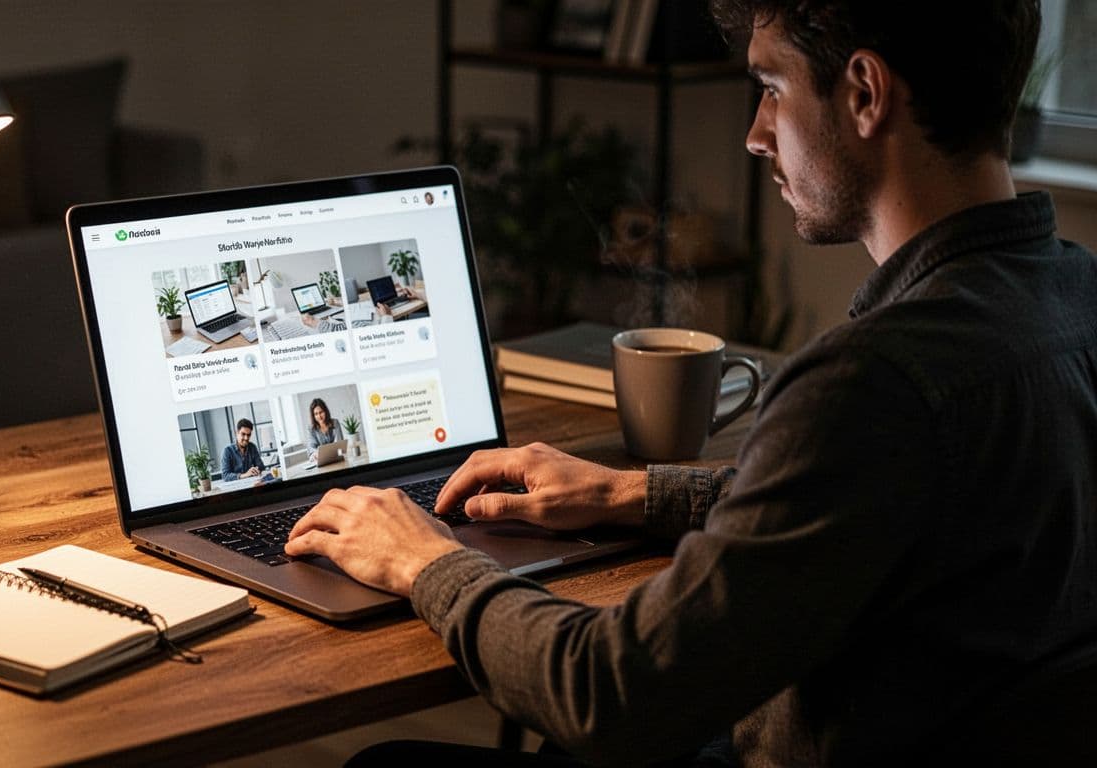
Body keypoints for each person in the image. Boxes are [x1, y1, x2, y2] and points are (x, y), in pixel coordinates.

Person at [286, 1, 1097, 765]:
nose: (754, 133)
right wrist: (631, 494)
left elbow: (610, 695)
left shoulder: (870, 383)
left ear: (863, 93)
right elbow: (880, 503)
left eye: (773, 89)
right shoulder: (1075, 302)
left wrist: (425, 562)